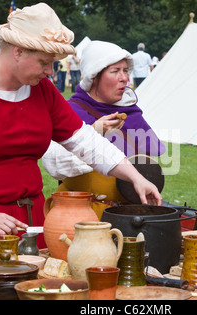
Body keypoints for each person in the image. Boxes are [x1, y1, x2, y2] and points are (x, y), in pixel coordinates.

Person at [0, 3, 161, 264]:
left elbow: (84, 140)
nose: (49, 72)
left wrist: (135, 177)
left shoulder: (41, 90)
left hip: (28, 221)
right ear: (18, 52)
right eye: (44, 62)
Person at [42, 40, 166, 218]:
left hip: (130, 215)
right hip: (82, 215)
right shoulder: (71, 112)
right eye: (115, 71)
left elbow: (148, 161)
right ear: (93, 77)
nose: (124, 78)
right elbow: (55, 164)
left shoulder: (132, 113)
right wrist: (94, 131)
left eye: (125, 71)